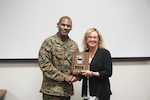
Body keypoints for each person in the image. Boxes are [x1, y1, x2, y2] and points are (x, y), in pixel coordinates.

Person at [38, 16, 79, 100]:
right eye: (63, 25)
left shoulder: (74, 45)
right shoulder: (49, 42)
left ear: (71, 28)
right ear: (57, 25)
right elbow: (44, 65)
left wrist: (78, 75)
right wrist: (64, 77)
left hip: (66, 91)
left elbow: (76, 65)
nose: (65, 28)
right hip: (51, 91)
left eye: (68, 26)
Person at [75, 28, 112, 100]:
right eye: (90, 37)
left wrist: (91, 73)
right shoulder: (83, 54)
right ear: (86, 39)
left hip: (101, 92)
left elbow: (108, 72)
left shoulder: (104, 53)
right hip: (87, 92)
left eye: (95, 37)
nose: (92, 40)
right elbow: (82, 70)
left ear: (99, 39)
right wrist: (77, 74)